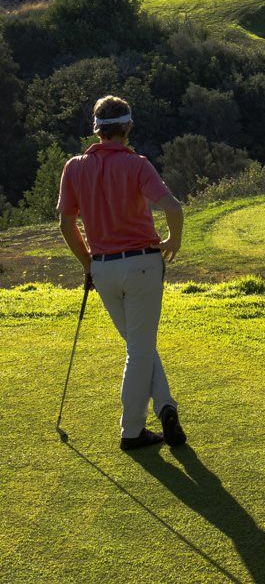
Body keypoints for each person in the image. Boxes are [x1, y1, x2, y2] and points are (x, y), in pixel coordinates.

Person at [57, 96, 187, 452]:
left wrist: (87, 263)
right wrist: (173, 239)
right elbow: (173, 208)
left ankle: (165, 408)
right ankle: (131, 431)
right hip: (143, 263)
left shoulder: (74, 166)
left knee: (138, 346)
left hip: (103, 269)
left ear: (96, 129)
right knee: (140, 350)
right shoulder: (137, 165)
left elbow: (66, 222)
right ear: (128, 128)